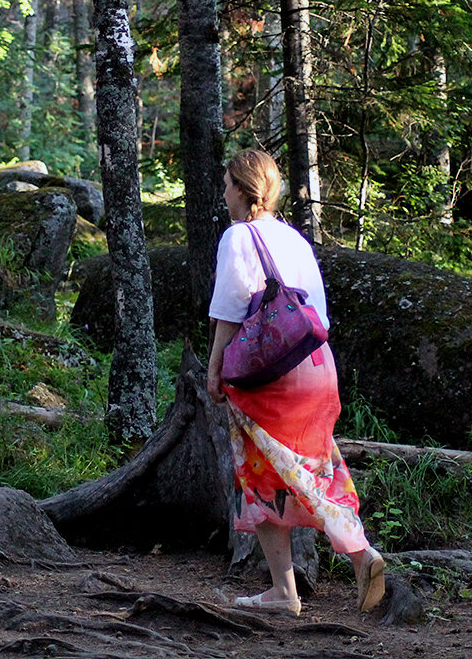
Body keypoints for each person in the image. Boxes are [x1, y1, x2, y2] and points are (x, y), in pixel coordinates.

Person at [206, 149, 385, 617]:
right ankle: (332, 566)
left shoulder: (238, 237)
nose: (223, 193)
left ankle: (323, 574)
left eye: (227, 184)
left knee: (263, 476)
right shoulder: (295, 239)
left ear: (243, 190)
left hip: (268, 375)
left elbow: (227, 313)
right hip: (316, 366)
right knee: (317, 469)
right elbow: (317, 314)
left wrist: (214, 370)